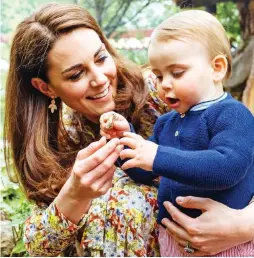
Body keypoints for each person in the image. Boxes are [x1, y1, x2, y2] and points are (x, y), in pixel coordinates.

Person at [3, 3, 254, 257]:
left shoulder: (167, 93)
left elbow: (238, 158)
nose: (100, 78)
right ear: (46, 88)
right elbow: (39, 247)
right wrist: (75, 195)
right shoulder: (58, 141)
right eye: (76, 74)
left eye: (101, 58)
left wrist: (242, 225)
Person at [100, 10, 254, 256]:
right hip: (173, 241)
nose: (165, 84)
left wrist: (157, 156)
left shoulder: (233, 115)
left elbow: (228, 167)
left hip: (228, 245)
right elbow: (143, 171)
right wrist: (123, 140)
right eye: (159, 76)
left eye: (177, 73)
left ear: (217, 68)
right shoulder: (166, 123)